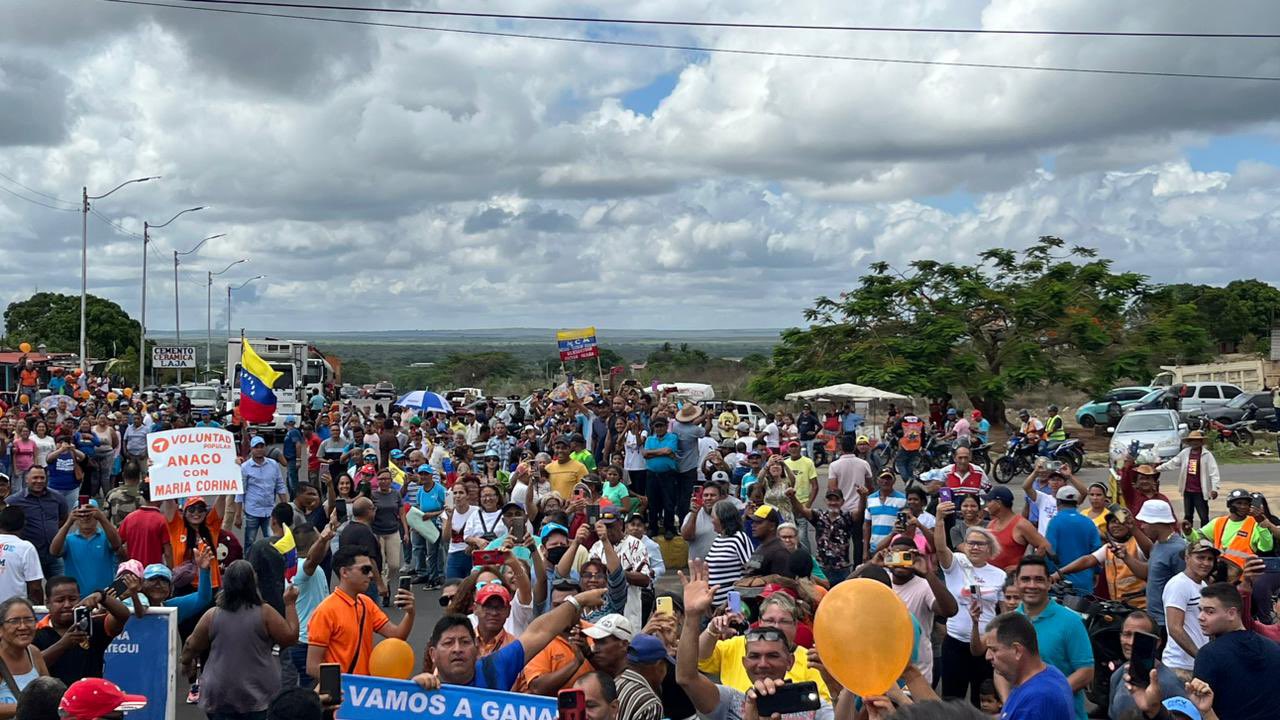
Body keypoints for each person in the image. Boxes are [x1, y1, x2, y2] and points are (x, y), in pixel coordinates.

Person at [676, 560, 835, 720]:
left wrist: (839, 692)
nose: (763, 663)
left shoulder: (812, 708)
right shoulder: (733, 701)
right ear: (744, 662)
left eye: (773, 655)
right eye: (754, 656)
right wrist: (693, 617)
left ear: (790, 661)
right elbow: (687, 676)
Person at [413, 587, 607, 691]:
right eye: (448, 643)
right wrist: (414, 689)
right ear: (433, 654)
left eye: (464, 642)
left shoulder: (494, 669)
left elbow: (539, 632)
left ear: (476, 648)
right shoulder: (420, 693)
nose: (457, 649)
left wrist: (577, 601)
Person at [180, 560, 299, 720]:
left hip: (219, 693)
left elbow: (190, 645)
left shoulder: (212, 615)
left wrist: (187, 663)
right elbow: (290, 638)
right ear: (253, 583)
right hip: (259, 693)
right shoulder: (265, 613)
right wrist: (290, 604)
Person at [697, 590, 832, 702]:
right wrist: (712, 630)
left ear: (796, 626)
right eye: (770, 620)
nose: (776, 627)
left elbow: (822, 704)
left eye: (784, 621)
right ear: (760, 622)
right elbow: (698, 659)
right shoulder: (736, 644)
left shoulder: (809, 659)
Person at [934, 499, 1006, 706]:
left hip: (985, 645)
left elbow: (1002, 612)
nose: (973, 547)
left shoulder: (999, 575)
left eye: (979, 543)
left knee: (982, 702)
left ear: (989, 548)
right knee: (951, 701)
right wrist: (940, 520)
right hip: (955, 643)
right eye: (970, 542)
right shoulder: (956, 563)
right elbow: (940, 549)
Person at [304, 546, 415, 679]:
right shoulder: (325, 612)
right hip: (344, 694)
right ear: (344, 572)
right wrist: (343, 687)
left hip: (364, 691)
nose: (371, 575)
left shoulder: (365, 603)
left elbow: (397, 636)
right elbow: (312, 665)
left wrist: (410, 613)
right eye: (365, 570)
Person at [1006, 557, 1093, 720]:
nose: (1032, 585)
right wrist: (1009, 704)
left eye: (1039, 579)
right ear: (1016, 582)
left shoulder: (1071, 621)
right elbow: (1000, 670)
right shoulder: (1009, 621)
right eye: (1025, 579)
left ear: (1049, 583)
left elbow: (1086, 672)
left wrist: (1047, 696)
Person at [1191, 581, 1280, 720]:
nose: (1200, 617)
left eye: (1210, 611)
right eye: (1200, 610)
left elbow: (1202, 708)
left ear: (1232, 613)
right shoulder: (1274, 647)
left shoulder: (1208, 654)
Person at [32, 576, 134, 686]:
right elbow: (31, 667)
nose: (67, 605)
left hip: (90, 699)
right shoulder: (35, 632)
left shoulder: (93, 626)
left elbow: (123, 616)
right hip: (52, 700)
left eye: (72, 599)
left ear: (79, 599)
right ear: (47, 603)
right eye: (60, 600)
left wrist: (102, 596)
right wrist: (63, 644)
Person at [887, 536, 959, 684]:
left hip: (917, 672)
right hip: (886, 668)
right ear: (889, 557)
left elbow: (950, 610)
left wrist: (928, 573)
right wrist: (871, 564)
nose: (901, 561)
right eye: (896, 556)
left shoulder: (925, 586)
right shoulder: (881, 581)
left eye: (906, 556)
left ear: (915, 558)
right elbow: (842, 593)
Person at [983, 612, 1073, 720]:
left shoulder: (1037, 698)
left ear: (1017, 650)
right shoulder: (1051, 673)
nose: (987, 656)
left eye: (994, 649)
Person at [1053, 508, 1147, 606]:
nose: (1116, 525)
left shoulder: (1138, 544)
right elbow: (1087, 560)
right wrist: (1058, 573)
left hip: (1141, 607)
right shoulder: (1109, 547)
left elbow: (1149, 549)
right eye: (1112, 522)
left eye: (1120, 522)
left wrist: (1134, 528)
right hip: (1119, 606)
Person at [1106, 611, 1186, 719]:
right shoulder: (1117, 675)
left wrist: (1154, 710)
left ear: (1156, 643)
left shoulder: (1170, 683)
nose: (1130, 642)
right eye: (1127, 634)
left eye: (1139, 637)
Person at [1162, 539, 1218, 682]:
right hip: (1179, 666)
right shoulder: (1178, 585)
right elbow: (1175, 628)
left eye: (1210, 559)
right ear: (1187, 558)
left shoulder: (1202, 585)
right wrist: (1200, 656)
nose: (1206, 563)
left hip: (1194, 665)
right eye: (1200, 557)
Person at [588, 509, 652, 630]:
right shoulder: (596, 547)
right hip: (601, 613)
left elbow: (645, 579)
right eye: (604, 526)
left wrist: (615, 574)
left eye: (610, 526)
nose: (606, 531)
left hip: (629, 612)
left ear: (620, 524)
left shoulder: (636, 545)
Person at [6, 467, 69, 580]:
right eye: (35, 477)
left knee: (62, 588)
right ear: (26, 479)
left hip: (55, 554)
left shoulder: (58, 497)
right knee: (33, 592)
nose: (39, 481)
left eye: (42, 478)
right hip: (31, 555)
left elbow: (64, 518)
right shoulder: (13, 501)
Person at [1133, 499, 1186, 629]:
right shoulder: (1158, 544)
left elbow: (1185, 588)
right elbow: (1150, 573)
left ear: (1156, 523)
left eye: (1145, 522)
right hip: (1154, 619)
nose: (1142, 526)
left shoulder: (1178, 549)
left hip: (1167, 623)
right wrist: (1124, 557)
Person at [789, 488, 859, 584]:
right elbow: (802, 509)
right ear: (826, 501)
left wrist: (863, 497)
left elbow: (860, 512)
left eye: (836, 500)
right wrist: (792, 497)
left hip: (842, 569)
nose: (833, 503)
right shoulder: (819, 516)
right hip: (822, 568)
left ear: (842, 502)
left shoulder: (847, 517)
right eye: (830, 500)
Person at [234, 436, 289, 547]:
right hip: (252, 511)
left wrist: (285, 505)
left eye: (261, 446)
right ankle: (249, 563)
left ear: (265, 448)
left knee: (272, 543)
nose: (259, 449)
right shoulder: (245, 468)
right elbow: (240, 492)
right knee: (250, 542)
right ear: (251, 449)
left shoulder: (273, 464)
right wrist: (238, 514)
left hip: (270, 511)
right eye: (256, 447)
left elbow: (280, 486)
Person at [1043, 487, 1101, 591]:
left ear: (1058, 502)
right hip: (1085, 582)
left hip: (1061, 583)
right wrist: (1096, 572)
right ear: (1076, 503)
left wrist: (1051, 575)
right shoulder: (1089, 522)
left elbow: (1050, 552)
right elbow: (1096, 551)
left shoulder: (1055, 523)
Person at [1199, 488, 1274, 568]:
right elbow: (1197, 537)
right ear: (1229, 505)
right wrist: (1188, 532)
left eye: (1246, 504)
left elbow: (1266, 548)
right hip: (1220, 571)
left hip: (1243, 574)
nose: (1243, 506)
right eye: (1239, 503)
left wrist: (1261, 524)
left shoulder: (1254, 523)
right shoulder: (1218, 522)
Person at [1157, 431, 1218, 528]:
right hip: (1188, 490)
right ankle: (1188, 535)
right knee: (1188, 515)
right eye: (1192, 441)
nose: (1195, 443)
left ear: (1201, 442)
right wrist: (1157, 468)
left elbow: (1214, 472)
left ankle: (1205, 536)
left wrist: (1215, 488)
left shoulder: (1207, 455)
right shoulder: (1185, 453)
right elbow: (1173, 463)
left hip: (1200, 491)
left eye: (1197, 441)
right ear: (1189, 442)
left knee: (1203, 516)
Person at [0, 597, 51, 714]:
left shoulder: (33, 653)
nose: (23, 627)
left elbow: (49, 694)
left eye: (29, 620)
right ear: (0, 629)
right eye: (14, 621)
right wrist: (29, 707)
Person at [985, 486, 1051, 572]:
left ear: (998, 503)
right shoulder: (991, 523)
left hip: (1010, 579)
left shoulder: (1021, 524)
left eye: (989, 501)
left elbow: (1045, 546)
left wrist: (1023, 566)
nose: (987, 505)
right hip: (990, 577)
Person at [337, 497, 386, 605]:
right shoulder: (364, 532)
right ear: (369, 510)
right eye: (374, 509)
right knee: (371, 613)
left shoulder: (347, 529)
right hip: (366, 580)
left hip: (351, 579)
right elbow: (371, 559)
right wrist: (380, 583)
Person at [704, 500, 753, 605]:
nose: (711, 521)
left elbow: (753, 568)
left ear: (723, 518)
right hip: (713, 604)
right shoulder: (718, 539)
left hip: (731, 604)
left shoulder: (739, 538)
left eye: (713, 517)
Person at [642, 418, 680, 539]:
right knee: (653, 503)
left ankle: (669, 528)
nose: (659, 428)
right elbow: (645, 454)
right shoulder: (649, 439)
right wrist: (661, 452)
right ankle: (653, 527)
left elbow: (668, 450)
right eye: (656, 426)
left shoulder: (672, 437)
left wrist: (652, 453)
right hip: (652, 475)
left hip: (668, 474)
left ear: (666, 426)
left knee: (668, 502)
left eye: (661, 426)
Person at [0, 509, 44, 603]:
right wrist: (39, 610)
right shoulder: (26, 548)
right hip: (14, 609)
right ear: (23, 524)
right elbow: (35, 587)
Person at [863, 470, 907, 560]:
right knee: (876, 573)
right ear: (877, 480)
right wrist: (865, 551)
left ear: (894, 481)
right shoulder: (871, 499)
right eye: (883, 478)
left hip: (894, 548)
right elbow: (867, 526)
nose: (885, 481)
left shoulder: (903, 500)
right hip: (874, 548)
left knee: (891, 572)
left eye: (889, 478)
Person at [783, 441, 819, 550]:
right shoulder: (784, 463)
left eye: (796, 447)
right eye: (791, 447)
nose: (793, 449)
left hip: (802, 504)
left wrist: (807, 506)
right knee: (788, 536)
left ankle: (807, 561)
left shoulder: (808, 462)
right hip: (787, 506)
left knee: (802, 537)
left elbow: (815, 486)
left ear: (800, 448)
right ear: (788, 449)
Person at [681, 482, 725, 563]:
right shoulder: (692, 515)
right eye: (705, 495)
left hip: (721, 569)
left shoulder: (728, 515)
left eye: (713, 495)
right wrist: (694, 513)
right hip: (698, 570)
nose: (709, 498)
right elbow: (686, 537)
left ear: (721, 498)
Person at [743, 505, 791, 577]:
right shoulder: (761, 547)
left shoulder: (779, 552)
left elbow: (784, 583)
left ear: (772, 526)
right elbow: (751, 572)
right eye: (753, 522)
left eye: (759, 522)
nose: (753, 525)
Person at [103, 461, 144, 528]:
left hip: (117, 536)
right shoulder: (144, 496)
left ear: (123, 475)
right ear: (139, 476)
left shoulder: (111, 494)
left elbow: (105, 519)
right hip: (138, 536)